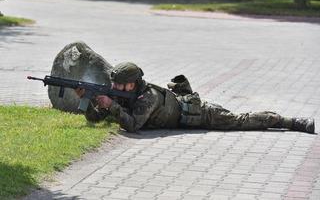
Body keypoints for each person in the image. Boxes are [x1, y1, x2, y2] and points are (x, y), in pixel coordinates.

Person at [75, 62, 315, 134]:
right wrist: (88, 100)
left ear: (132, 83)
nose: (114, 87)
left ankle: (290, 121)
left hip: (201, 115)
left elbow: (133, 125)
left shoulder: (147, 97)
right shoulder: (125, 94)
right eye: (114, 83)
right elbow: (96, 119)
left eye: (118, 84)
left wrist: (111, 105)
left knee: (241, 121)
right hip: (181, 113)